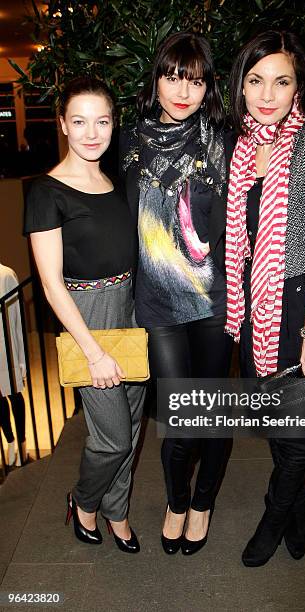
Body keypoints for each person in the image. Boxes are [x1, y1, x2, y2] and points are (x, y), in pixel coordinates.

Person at [226, 31, 305, 566]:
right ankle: (299, 500)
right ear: (241, 86)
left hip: (301, 306)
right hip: (256, 305)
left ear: (299, 86)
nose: (268, 94)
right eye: (256, 81)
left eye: (281, 81)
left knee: (295, 434)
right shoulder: (241, 147)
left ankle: (276, 513)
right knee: (274, 418)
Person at [120, 32, 233, 555]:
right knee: (181, 416)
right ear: (156, 80)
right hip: (157, 304)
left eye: (194, 78)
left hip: (213, 302)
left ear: (207, 85)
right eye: (172, 76)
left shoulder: (222, 142)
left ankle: (203, 501)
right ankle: (175, 500)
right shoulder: (129, 141)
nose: (182, 89)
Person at [24, 77, 146, 553]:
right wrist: (92, 352)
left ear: (114, 124)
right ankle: (84, 500)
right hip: (86, 316)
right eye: (79, 121)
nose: (91, 132)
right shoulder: (46, 191)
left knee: (133, 426)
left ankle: (118, 511)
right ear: (62, 125)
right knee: (112, 437)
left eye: (102, 121)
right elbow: (52, 285)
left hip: (131, 308)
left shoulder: (115, 182)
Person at [0, 263, 27, 467]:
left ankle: (23, 442)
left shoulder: (6, 275)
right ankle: (10, 441)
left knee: (15, 395)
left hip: (6, 348)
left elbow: (17, 319)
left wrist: (21, 360)